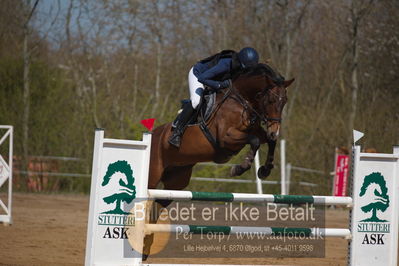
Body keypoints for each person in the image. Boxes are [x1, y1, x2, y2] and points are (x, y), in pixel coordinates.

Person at [168, 47, 260, 148]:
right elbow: (202, 78)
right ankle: (177, 133)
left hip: (212, 79)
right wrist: (219, 85)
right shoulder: (225, 64)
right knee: (196, 102)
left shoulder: (240, 66)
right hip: (198, 74)